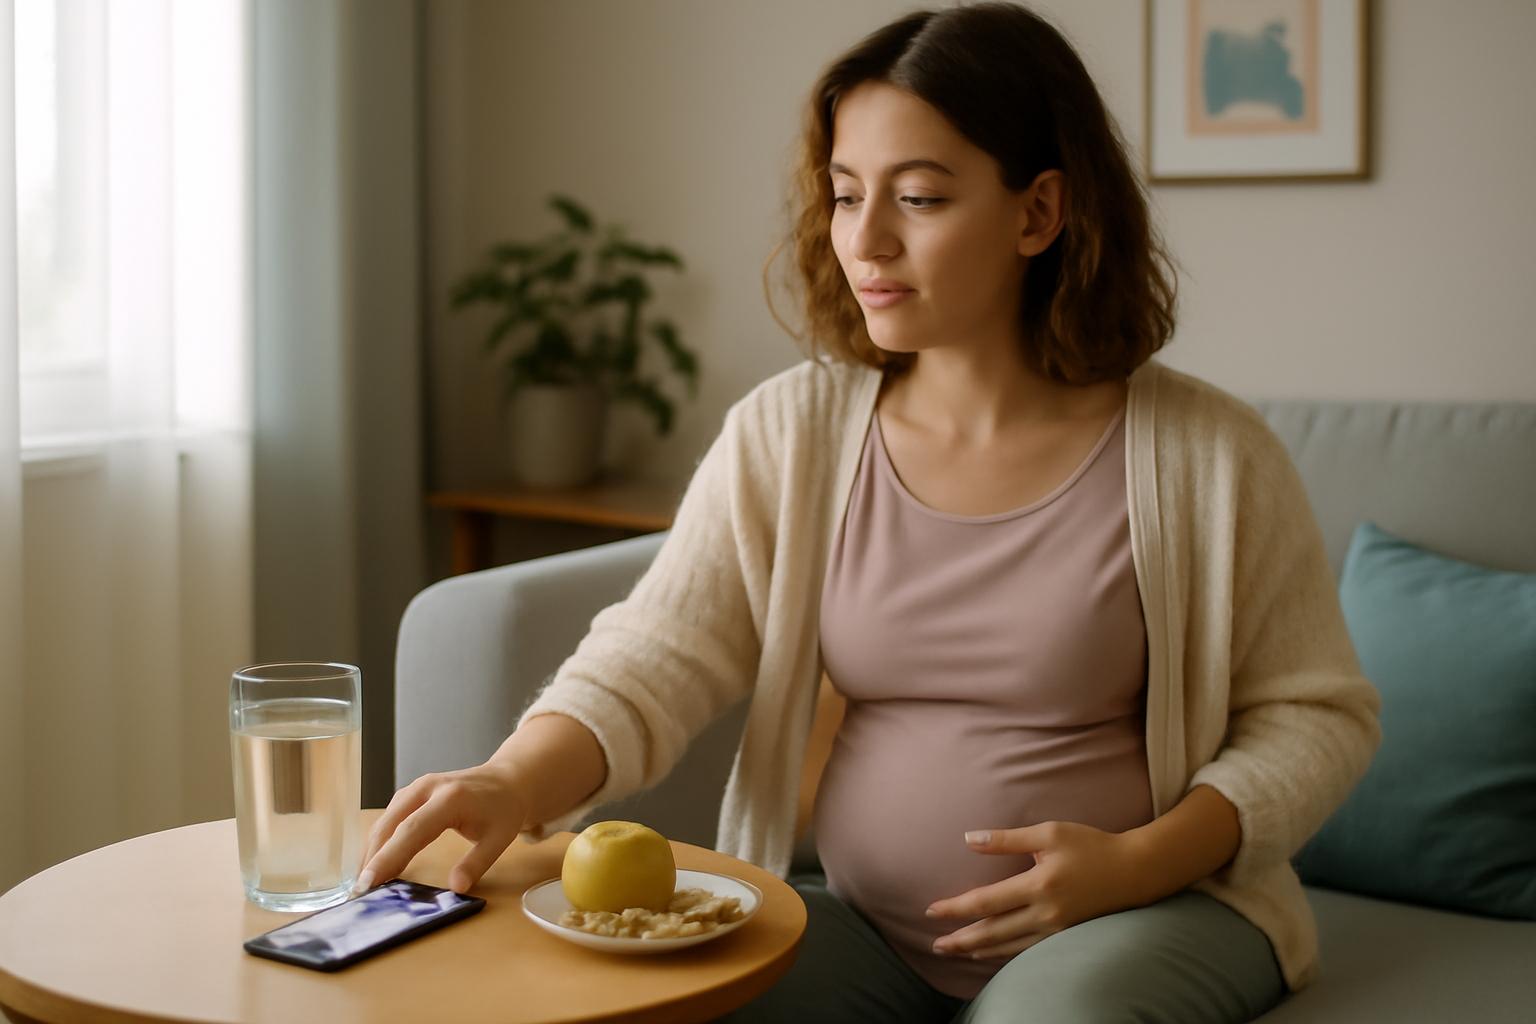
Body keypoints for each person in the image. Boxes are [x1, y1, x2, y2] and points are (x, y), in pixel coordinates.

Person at [358, 3, 1381, 1021]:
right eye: (847, 195)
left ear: (1039, 212)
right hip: (861, 925)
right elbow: (658, 652)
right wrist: (513, 780)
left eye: (920, 197)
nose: (867, 240)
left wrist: (1140, 861)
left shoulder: (1210, 457)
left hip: (1143, 913)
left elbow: (1317, 718)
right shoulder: (790, 431)